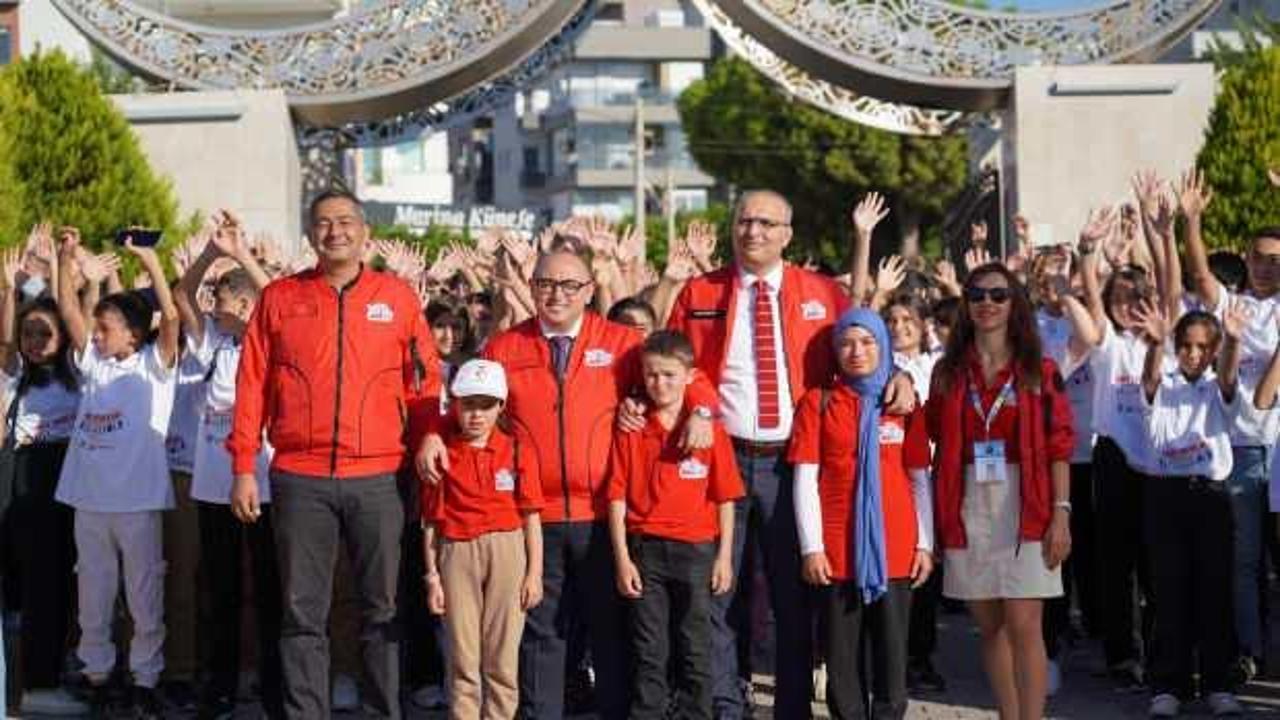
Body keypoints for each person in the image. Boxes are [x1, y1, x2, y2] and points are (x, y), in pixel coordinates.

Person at [420, 249, 702, 719]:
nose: (557, 294)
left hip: (601, 515)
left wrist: (704, 410)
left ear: (589, 291)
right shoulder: (505, 348)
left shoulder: (619, 343)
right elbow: (465, 405)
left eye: (570, 285)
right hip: (532, 517)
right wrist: (433, 431)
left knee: (610, 632)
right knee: (540, 634)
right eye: (546, 283)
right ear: (531, 288)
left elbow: (680, 374)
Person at [666, 190, 915, 718]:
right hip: (723, 456)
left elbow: (862, 347)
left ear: (787, 233)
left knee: (794, 595)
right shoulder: (699, 292)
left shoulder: (821, 292)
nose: (751, 231)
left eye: (765, 222)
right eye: (743, 221)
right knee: (719, 590)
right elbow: (680, 364)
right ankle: (728, 704)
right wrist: (701, 409)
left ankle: (792, 706)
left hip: (792, 461)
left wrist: (900, 377)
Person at [229, 189, 442, 719]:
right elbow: (251, 384)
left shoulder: (397, 298)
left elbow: (424, 381)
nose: (335, 231)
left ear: (364, 231)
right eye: (323, 223)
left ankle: (382, 711)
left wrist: (430, 437)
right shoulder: (279, 298)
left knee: (384, 610)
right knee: (303, 613)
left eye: (345, 221)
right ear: (310, 235)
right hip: (300, 478)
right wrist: (242, 467)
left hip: (379, 478)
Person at [925, 262, 1074, 720]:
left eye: (998, 294)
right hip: (967, 499)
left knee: (1025, 623)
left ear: (1015, 305)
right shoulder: (948, 373)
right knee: (990, 626)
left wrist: (1061, 513)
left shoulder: (1038, 370)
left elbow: (1059, 444)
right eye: (976, 295)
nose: (986, 303)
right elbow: (930, 432)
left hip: (1026, 498)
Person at [54, 230, 181, 717]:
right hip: (90, 501)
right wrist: (66, 259)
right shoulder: (94, 365)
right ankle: (98, 674)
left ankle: (145, 680)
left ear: (133, 333)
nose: (97, 334)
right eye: (98, 328)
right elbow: (69, 311)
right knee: (94, 594)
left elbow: (169, 316)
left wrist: (148, 260)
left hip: (138, 503)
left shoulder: (155, 366)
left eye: (106, 328)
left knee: (145, 597)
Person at [791, 308, 934, 720]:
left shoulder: (904, 405)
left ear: (883, 346)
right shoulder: (818, 404)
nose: (857, 352)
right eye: (846, 343)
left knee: (892, 654)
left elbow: (919, 478)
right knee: (842, 658)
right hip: (836, 551)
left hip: (896, 547)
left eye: (868, 342)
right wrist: (811, 548)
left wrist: (925, 543)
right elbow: (805, 480)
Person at [173, 213, 283, 719]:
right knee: (219, 590)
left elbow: (279, 301)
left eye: (220, 303)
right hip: (214, 487)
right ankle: (219, 687)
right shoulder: (211, 343)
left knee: (270, 591)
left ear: (243, 304)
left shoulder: (272, 339)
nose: (211, 310)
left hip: (265, 485)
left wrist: (242, 257)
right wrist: (210, 254)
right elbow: (180, 297)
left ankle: (274, 688)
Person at [607, 330, 743, 720]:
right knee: (650, 650)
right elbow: (616, 498)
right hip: (645, 549)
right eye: (651, 375)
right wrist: (622, 559)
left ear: (690, 376)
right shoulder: (631, 427)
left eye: (669, 375)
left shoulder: (708, 428)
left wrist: (724, 558)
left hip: (698, 551)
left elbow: (725, 497)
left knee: (695, 647)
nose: (659, 383)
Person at [1181, 171, 1279, 680]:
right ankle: (1252, 652)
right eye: (1259, 257)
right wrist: (1192, 221)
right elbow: (1200, 278)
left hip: (1278, 451)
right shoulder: (1233, 305)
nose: (1265, 267)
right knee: (1243, 563)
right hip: (1238, 450)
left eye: (1276, 260)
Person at [1134, 301, 1244, 718]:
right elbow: (1148, 380)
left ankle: (1218, 683)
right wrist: (1156, 343)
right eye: (1185, 346)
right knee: (1169, 590)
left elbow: (1231, 378)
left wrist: (1232, 339)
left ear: (1212, 350)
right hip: (1165, 495)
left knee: (1214, 589)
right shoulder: (1165, 384)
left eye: (1202, 347)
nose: (1193, 354)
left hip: (1210, 496)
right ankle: (1168, 685)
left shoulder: (1218, 385)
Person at [423, 359, 544, 720]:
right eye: (468, 404)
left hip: (507, 548)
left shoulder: (517, 449)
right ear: (454, 404)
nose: (476, 414)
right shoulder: (442, 453)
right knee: (463, 656)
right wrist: (432, 577)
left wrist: (534, 573)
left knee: (503, 655)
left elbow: (531, 515)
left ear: (501, 406)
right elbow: (431, 522)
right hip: (457, 550)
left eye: (486, 405)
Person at [0, 245, 84, 715]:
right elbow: (8, 343)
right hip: (28, 478)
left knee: (67, 582)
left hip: (72, 474)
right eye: (29, 333)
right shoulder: (14, 376)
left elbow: (70, 312)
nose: (36, 341)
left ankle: (59, 668)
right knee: (39, 583)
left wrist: (59, 269)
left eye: (44, 334)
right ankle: (37, 683)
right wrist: (12, 286)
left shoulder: (77, 370)